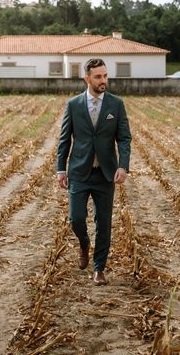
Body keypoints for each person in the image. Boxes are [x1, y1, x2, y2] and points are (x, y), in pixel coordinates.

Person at [57, 58, 132, 286]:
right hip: (79, 171)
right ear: (87, 78)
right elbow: (64, 139)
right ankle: (83, 243)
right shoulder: (73, 105)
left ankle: (99, 269)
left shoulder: (116, 105)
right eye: (98, 76)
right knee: (76, 219)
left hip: (105, 174)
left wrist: (123, 165)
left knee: (104, 224)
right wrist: (61, 168)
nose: (103, 81)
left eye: (105, 76)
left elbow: (124, 138)